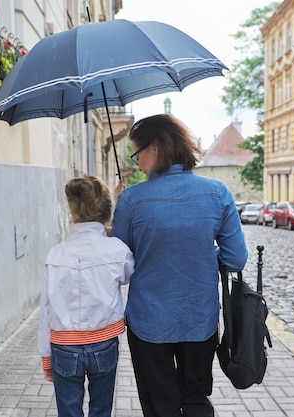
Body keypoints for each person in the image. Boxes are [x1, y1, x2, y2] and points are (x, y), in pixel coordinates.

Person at [111, 114, 248, 417]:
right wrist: (201, 255)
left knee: (160, 404)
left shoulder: (132, 201)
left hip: (148, 321)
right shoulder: (218, 193)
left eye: (137, 153)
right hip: (200, 317)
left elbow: (118, 266)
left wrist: (120, 208)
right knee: (196, 398)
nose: (136, 162)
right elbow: (237, 259)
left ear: (156, 147)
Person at [38, 174, 135, 417]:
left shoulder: (55, 255)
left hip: (63, 347)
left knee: (69, 412)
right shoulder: (117, 249)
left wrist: (46, 356)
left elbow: (45, 311)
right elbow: (128, 275)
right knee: (101, 410)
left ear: (71, 214)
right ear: (106, 214)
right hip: (104, 343)